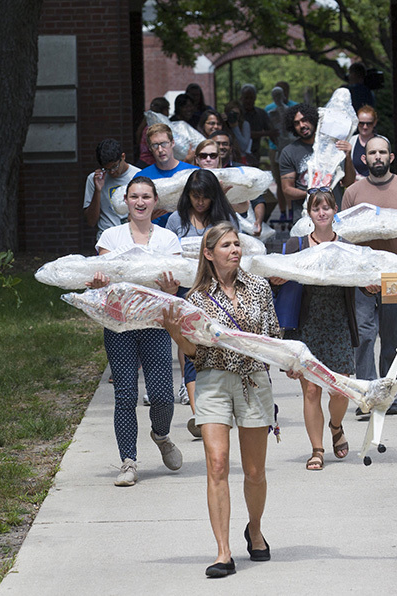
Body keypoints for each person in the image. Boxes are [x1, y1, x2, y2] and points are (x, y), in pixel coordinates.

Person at [162, 222, 282, 578]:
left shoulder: (259, 289)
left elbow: (273, 336)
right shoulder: (195, 299)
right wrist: (172, 326)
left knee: (255, 471)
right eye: (227, 245)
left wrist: (290, 364)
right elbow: (192, 351)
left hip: (254, 381)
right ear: (208, 253)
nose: (235, 250)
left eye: (237, 244)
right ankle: (223, 552)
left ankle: (255, 529)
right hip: (212, 381)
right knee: (216, 464)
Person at [86, 176, 183, 487]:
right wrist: (101, 283)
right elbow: (107, 275)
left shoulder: (168, 239)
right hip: (120, 324)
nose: (140, 202)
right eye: (134, 196)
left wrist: (171, 287)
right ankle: (128, 461)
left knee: (162, 396)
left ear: (155, 202)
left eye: (146, 197)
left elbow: (174, 285)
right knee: (125, 394)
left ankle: (162, 435)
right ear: (125, 201)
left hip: (155, 324)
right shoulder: (111, 237)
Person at [269, 188, 358, 471]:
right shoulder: (295, 246)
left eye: (327, 208)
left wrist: (371, 287)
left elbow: (363, 280)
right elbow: (273, 278)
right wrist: (277, 279)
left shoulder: (346, 246)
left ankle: (336, 425)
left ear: (334, 212)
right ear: (309, 213)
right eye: (316, 208)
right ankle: (317, 450)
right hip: (305, 323)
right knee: (310, 391)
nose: (321, 212)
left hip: (337, 322)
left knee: (340, 390)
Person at [342, 135, 397, 417]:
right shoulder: (353, 192)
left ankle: (391, 394)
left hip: (396, 276)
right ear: (364, 159)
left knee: (391, 338)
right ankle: (367, 394)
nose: (377, 157)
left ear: (391, 157)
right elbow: (344, 237)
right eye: (372, 153)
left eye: (382, 152)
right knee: (364, 336)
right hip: (363, 277)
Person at [166, 169, 241, 435]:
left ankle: (221, 404)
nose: (200, 202)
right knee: (191, 348)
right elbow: (168, 254)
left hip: (220, 291)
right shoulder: (176, 220)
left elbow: (237, 254)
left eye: (205, 197)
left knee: (218, 346)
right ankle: (199, 414)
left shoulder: (225, 218)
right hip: (187, 292)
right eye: (195, 196)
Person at [279, 103, 355, 222]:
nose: (302, 125)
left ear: (313, 119)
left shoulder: (334, 147)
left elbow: (348, 182)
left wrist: (348, 156)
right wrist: (312, 192)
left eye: (305, 120)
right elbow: (287, 190)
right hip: (305, 218)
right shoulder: (289, 152)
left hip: (335, 216)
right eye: (296, 123)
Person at [140, 123, 199, 226]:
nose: (160, 150)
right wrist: (146, 217)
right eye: (155, 145)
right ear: (150, 148)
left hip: (187, 231)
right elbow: (131, 217)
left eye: (164, 144)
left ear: (172, 143)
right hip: (154, 234)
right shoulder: (141, 178)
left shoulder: (193, 173)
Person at [83, 138, 140, 239]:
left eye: (114, 166)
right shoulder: (94, 179)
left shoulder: (138, 175)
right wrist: (98, 190)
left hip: (133, 237)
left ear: (123, 157)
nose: (112, 172)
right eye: (107, 169)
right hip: (106, 238)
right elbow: (91, 221)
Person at [266, 85, 297, 216]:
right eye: (275, 96)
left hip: (291, 148)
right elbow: (268, 130)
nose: (278, 98)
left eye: (280, 95)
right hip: (277, 149)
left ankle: (292, 209)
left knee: (291, 181)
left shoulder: (292, 109)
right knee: (280, 182)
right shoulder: (269, 111)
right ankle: (283, 211)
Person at [240, 83, 276, 167]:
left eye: (251, 98)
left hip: (255, 153)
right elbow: (246, 135)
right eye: (246, 98)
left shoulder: (261, 113)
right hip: (239, 155)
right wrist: (266, 133)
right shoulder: (238, 114)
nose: (248, 101)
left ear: (255, 98)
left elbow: (271, 131)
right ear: (241, 98)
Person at [347, 105, 387, 180]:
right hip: (356, 186)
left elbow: (386, 166)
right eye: (361, 123)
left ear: (375, 123)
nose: (365, 127)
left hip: (378, 185)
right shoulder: (350, 142)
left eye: (369, 124)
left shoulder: (382, 141)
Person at [137, 97, 170, 167]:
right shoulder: (157, 130)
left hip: (143, 162)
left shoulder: (147, 126)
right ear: (164, 110)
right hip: (150, 164)